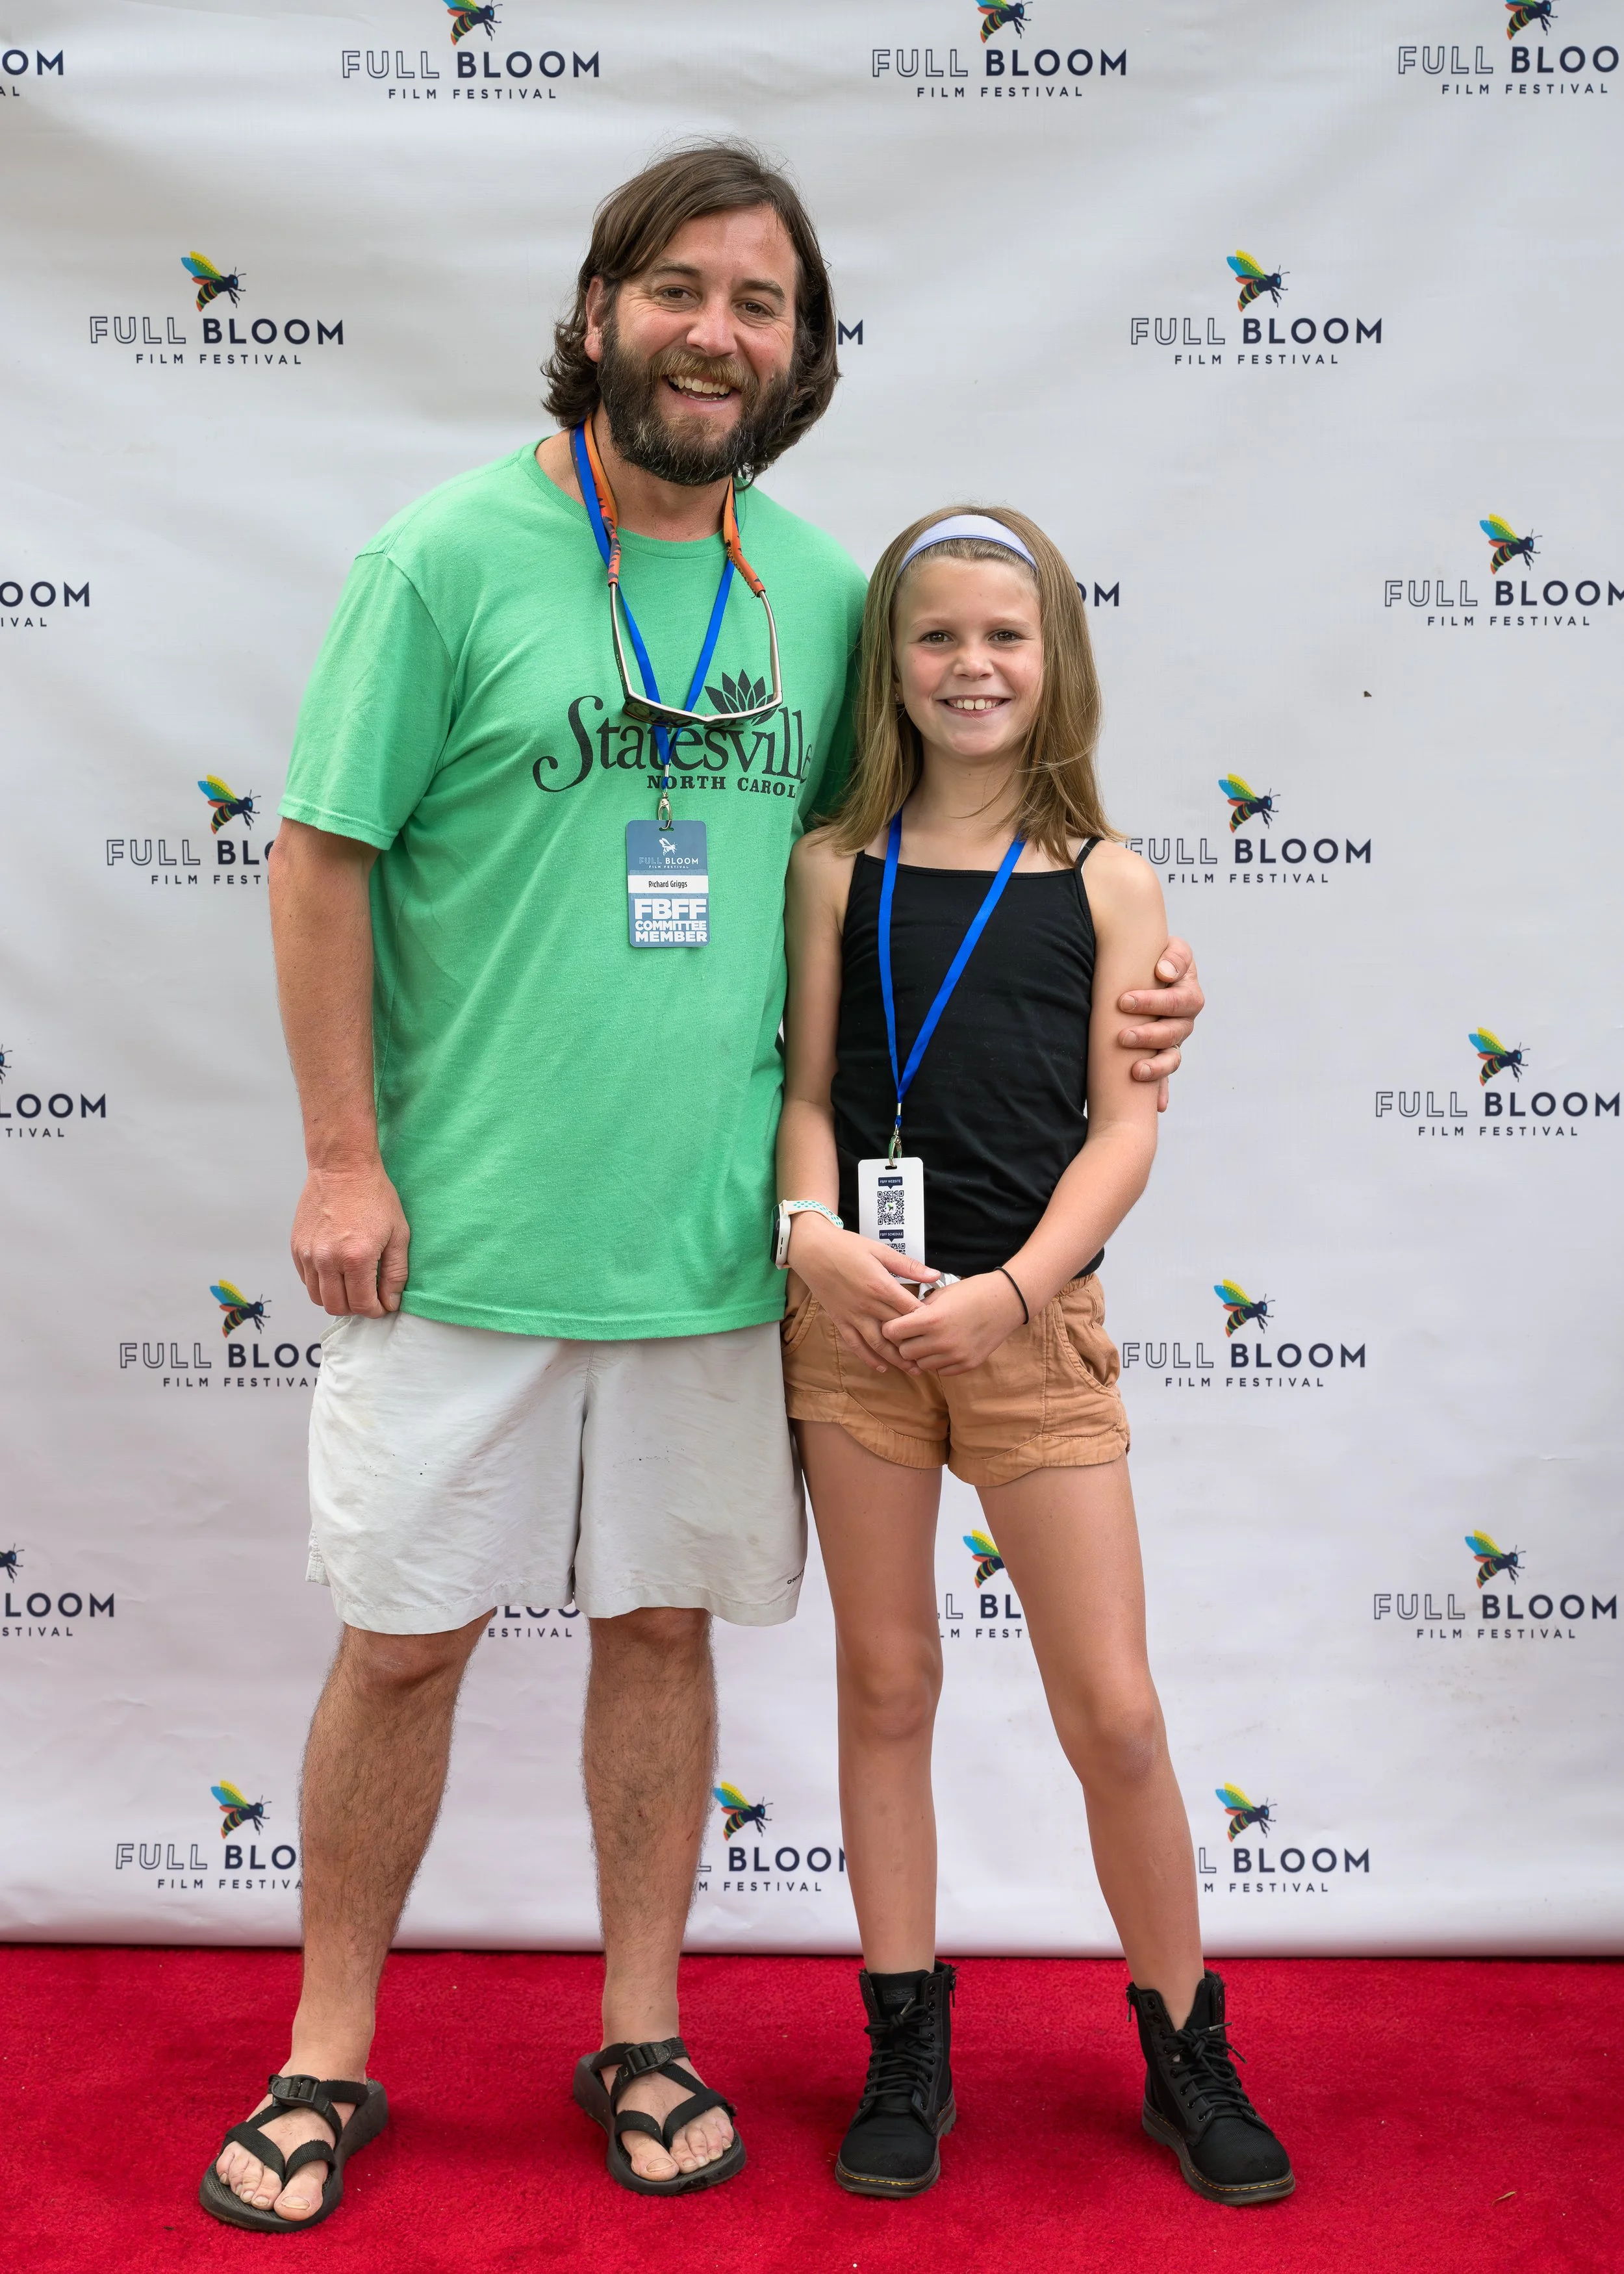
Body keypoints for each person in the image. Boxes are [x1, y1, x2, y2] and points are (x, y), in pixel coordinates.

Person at [201, 145, 1207, 2230]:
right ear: (595, 314)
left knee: (660, 1633)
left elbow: (945, 815)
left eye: (760, 303)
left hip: (718, 1257)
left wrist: (1135, 953)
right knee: (401, 1645)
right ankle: (325, 2056)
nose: (714, 333)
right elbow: (317, 854)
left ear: (801, 352)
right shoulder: (446, 559)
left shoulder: (827, 591)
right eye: (677, 289)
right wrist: (335, 1152)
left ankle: (640, 2030)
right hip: (458, 1235)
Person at [777, 507, 1291, 2205]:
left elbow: (1123, 1130)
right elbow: (800, 1097)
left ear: (1054, 658)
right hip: (854, 1327)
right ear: (891, 664)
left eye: (1005, 636)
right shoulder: (831, 863)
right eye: (936, 637)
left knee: (1119, 1711)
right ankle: (905, 2040)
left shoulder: (1110, 877)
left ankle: (1182, 2039)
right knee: (883, 1682)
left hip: (1029, 1326)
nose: (971, 665)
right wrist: (816, 1240)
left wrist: (1010, 1293)